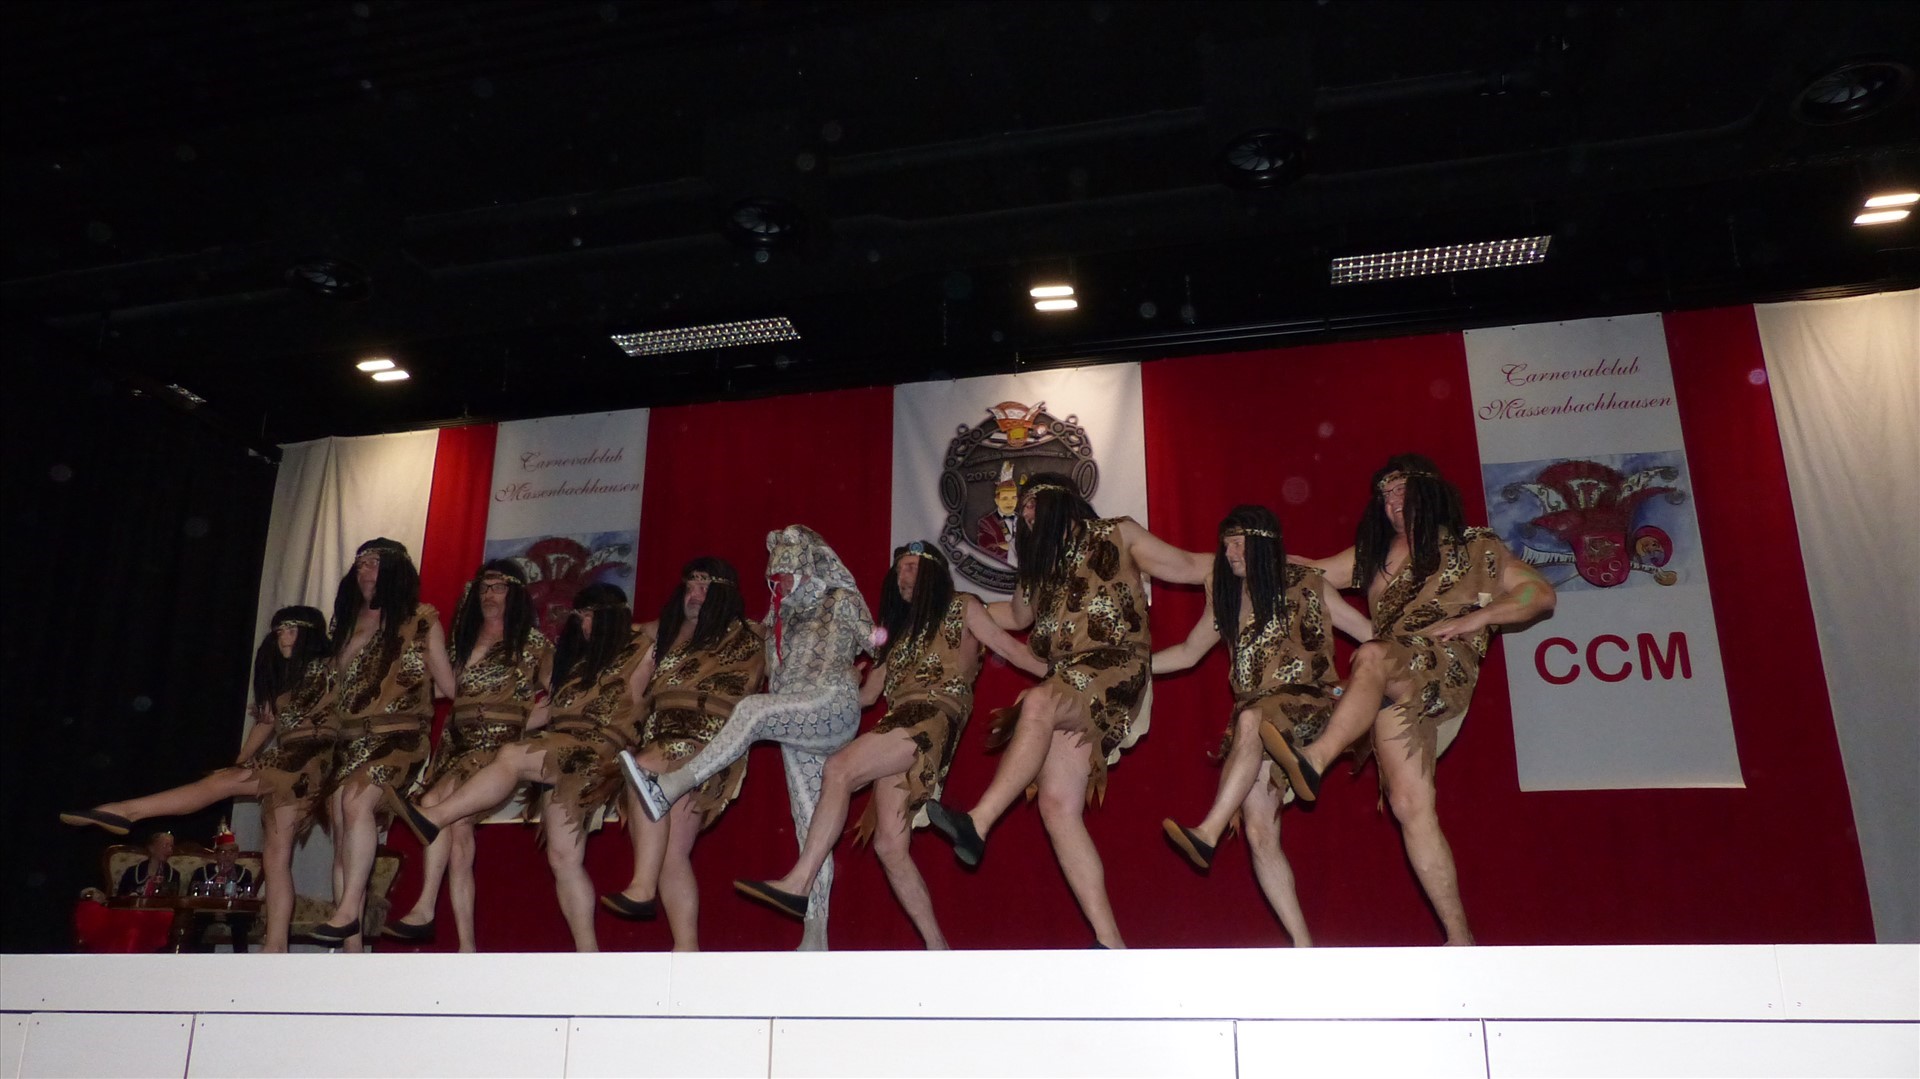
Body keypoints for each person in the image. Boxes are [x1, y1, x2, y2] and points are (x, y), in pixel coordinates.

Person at [1273, 454, 1556, 945]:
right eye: (1385, 496)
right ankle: (1461, 939)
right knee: (1409, 804)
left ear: (1430, 492)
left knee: (1372, 654)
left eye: (1401, 491)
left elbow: (1539, 594)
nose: (1392, 503)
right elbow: (1309, 574)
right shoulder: (1374, 555)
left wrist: (1479, 618)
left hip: (1441, 665)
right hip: (1390, 680)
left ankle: (1315, 760)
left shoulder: (1475, 546)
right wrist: (1252, 558)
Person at [920, 472, 1212, 949]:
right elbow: (1017, 617)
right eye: (1023, 510)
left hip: (1114, 665)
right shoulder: (1038, 571)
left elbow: (1187, 565)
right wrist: (951, 607)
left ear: (1060, 501)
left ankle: (978, 822)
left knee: (1038, 701)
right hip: (1069, 677)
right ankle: (1110, 943)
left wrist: (1258, 560)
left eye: (1032, 504)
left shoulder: (1118, 533)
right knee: (1056, 805)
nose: (1025, 514)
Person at [732, 540, 1046, 948]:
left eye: (911, 566)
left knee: (840, 768)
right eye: (899, 570)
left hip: (930, 719)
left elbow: (1011, 649)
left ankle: (800, 881)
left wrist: (1060, 673)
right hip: (897, 724)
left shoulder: (964, 607)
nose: (902, 575)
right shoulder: (896, 634)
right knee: (889, 847)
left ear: (933, 571)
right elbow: (867, 697)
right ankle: (938, 949)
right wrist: (842, 680)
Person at [622, 525, 876, 951]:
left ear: (807, 570)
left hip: (830, 702)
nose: (782, 584)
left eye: (788, 576)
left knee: (753, 710)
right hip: (797, 721)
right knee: (809, 823)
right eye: (775, 578)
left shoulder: (840, 599)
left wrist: (866, 688)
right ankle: (815, 937)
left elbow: (881, 640)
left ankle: (669, 786)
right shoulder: (777, 619)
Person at [1151, 506, 1374, 946]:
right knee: (1259, 831)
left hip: (1308, 704)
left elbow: (1367, 632)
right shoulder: (1228, 596)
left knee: (1252, 718)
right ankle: (1304, 947)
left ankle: (1208, 832)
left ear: (1264, 543)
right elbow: (1188, 652)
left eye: (1239, 542)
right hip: (1256, 721)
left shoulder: (1309, 583)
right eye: (1226, 544)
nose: (1230, 552)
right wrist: (1137, 666)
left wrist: (1372, 681)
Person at [63, 605, 338, 951]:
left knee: (221, 793)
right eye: (279, 630)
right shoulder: (285, 679)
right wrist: (239, 762)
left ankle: (125, 810)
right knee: (275, 855)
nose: (283, 636)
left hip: (312, 759)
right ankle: (276, 945)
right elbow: (266, 723)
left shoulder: (332, 667)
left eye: (291, 629)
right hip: (290, 761)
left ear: (310, 634)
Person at [397, 583, 650, 952]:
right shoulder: (573, 664)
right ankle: (588, 956)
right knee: (563, 858)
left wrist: (626, 620)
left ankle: (437, 816)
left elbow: (673, 626)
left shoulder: (641, 650)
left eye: (593, 615)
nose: (585, 624)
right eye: (581, 616)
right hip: (560, 752)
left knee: (513, 756)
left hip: (596, 748)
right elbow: (525, 707)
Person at [598, 558, 766, 951]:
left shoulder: (750, 635)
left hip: (708, 741)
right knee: (671, 853)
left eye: (705, 587)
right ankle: (687, 950)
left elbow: (795, 665)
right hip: (660, 735)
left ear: (724, 593)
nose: (695, 594)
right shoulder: (664, 635)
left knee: (644, 771)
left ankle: (642, 889)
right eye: (690, 586)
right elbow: (630, 688)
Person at [383, 561, 552, 950]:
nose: (489, 595)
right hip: (456, 742)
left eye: (498, 587)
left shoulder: (534, 644)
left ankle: (425, 909)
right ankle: (466, 946)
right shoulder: (464, 643)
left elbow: (562, 694)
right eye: (484, 588)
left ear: (515, 594)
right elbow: (442, 689)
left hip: (495, 746)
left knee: (433, 804)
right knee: (457, 833)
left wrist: (526, 722)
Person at [315, 538, 456, 948]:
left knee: (356, 803)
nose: (365, 570)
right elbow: (330, 688)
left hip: (398, 735)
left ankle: (346, 913)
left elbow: (448, 686)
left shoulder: (420, 619)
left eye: (374, 563)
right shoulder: (344, 623)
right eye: (360, 564)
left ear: (395, 569)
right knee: (342, 834)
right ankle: (352, 949)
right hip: (347, 740)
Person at [187, 825, 257, 951]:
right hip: (206, 912)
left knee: (240, 922)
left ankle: (241, 959)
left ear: (236, 855)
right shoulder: (202, 872)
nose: (227, 856)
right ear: (216, 855)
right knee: (196, 922)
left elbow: (247, 897)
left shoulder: (244, 874)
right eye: (223, 852)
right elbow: (192, 895)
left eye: (231, 852)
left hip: (234, 913)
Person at [974, 462, 1021, 564]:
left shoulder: (1024, 520)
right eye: (1005, 498)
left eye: (1013, 498)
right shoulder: (986, 522)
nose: (1010, 502)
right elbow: (987, 550)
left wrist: (1006, 546)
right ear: (997, 500)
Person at [115, 831, 181, 897]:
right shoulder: (132, 872)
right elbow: (120, 897)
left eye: (171, 847)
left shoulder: (174, 875)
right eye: (165, 845)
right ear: (151, 848)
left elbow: (172, 900)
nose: (169, 850)